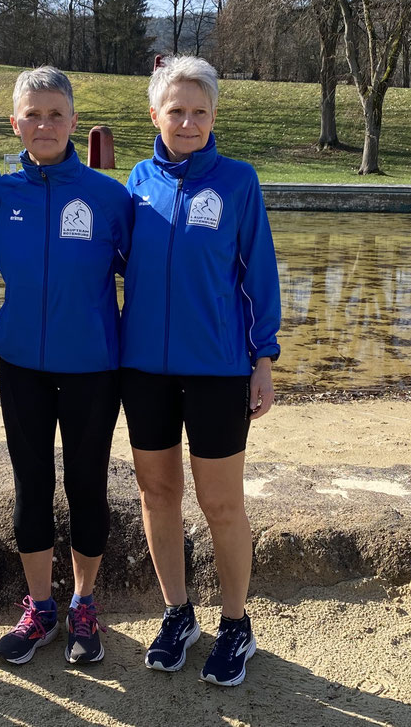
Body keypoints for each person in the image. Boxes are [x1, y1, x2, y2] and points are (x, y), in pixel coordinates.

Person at [120, 55, 280, 686]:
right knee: (157, 494)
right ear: (156, 113)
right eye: (176, 109)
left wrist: (262, 358)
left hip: (217, 368)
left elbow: (260, 275)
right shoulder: (135, 180)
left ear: (214, 115)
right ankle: (177, 612)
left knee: (220, 502)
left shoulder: (239, 182)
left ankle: (236, 624)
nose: (188, 121)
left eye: (199, 111)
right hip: (144, 370)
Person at [0, 67, 133, 665]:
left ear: (74, 122)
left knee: (86, 486)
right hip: (21, 363)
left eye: (55, 114)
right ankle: (40, 608)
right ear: (15, 122)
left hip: (94, 367)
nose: (43, 125)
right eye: (32, 115)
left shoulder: (108, 197)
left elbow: (152, 278)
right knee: (31, 487)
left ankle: (84, 604)